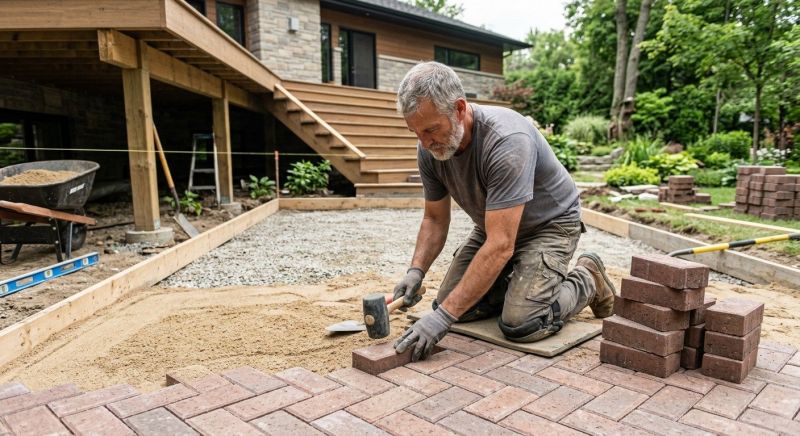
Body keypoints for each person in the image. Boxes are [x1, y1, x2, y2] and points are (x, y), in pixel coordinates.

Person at [392, 62, 617, 362]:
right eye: (416, 132)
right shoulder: (429, 149)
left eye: (431, 129)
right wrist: (416, 271)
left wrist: (443, 317)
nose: (424, 142)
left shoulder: (507, 140)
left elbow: (500, 245)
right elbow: (434, 219)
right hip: (495, 228)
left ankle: (588, 279)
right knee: (453, 306)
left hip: (549, 226)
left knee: (522, 323)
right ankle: (521, 285)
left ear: (459, 109)